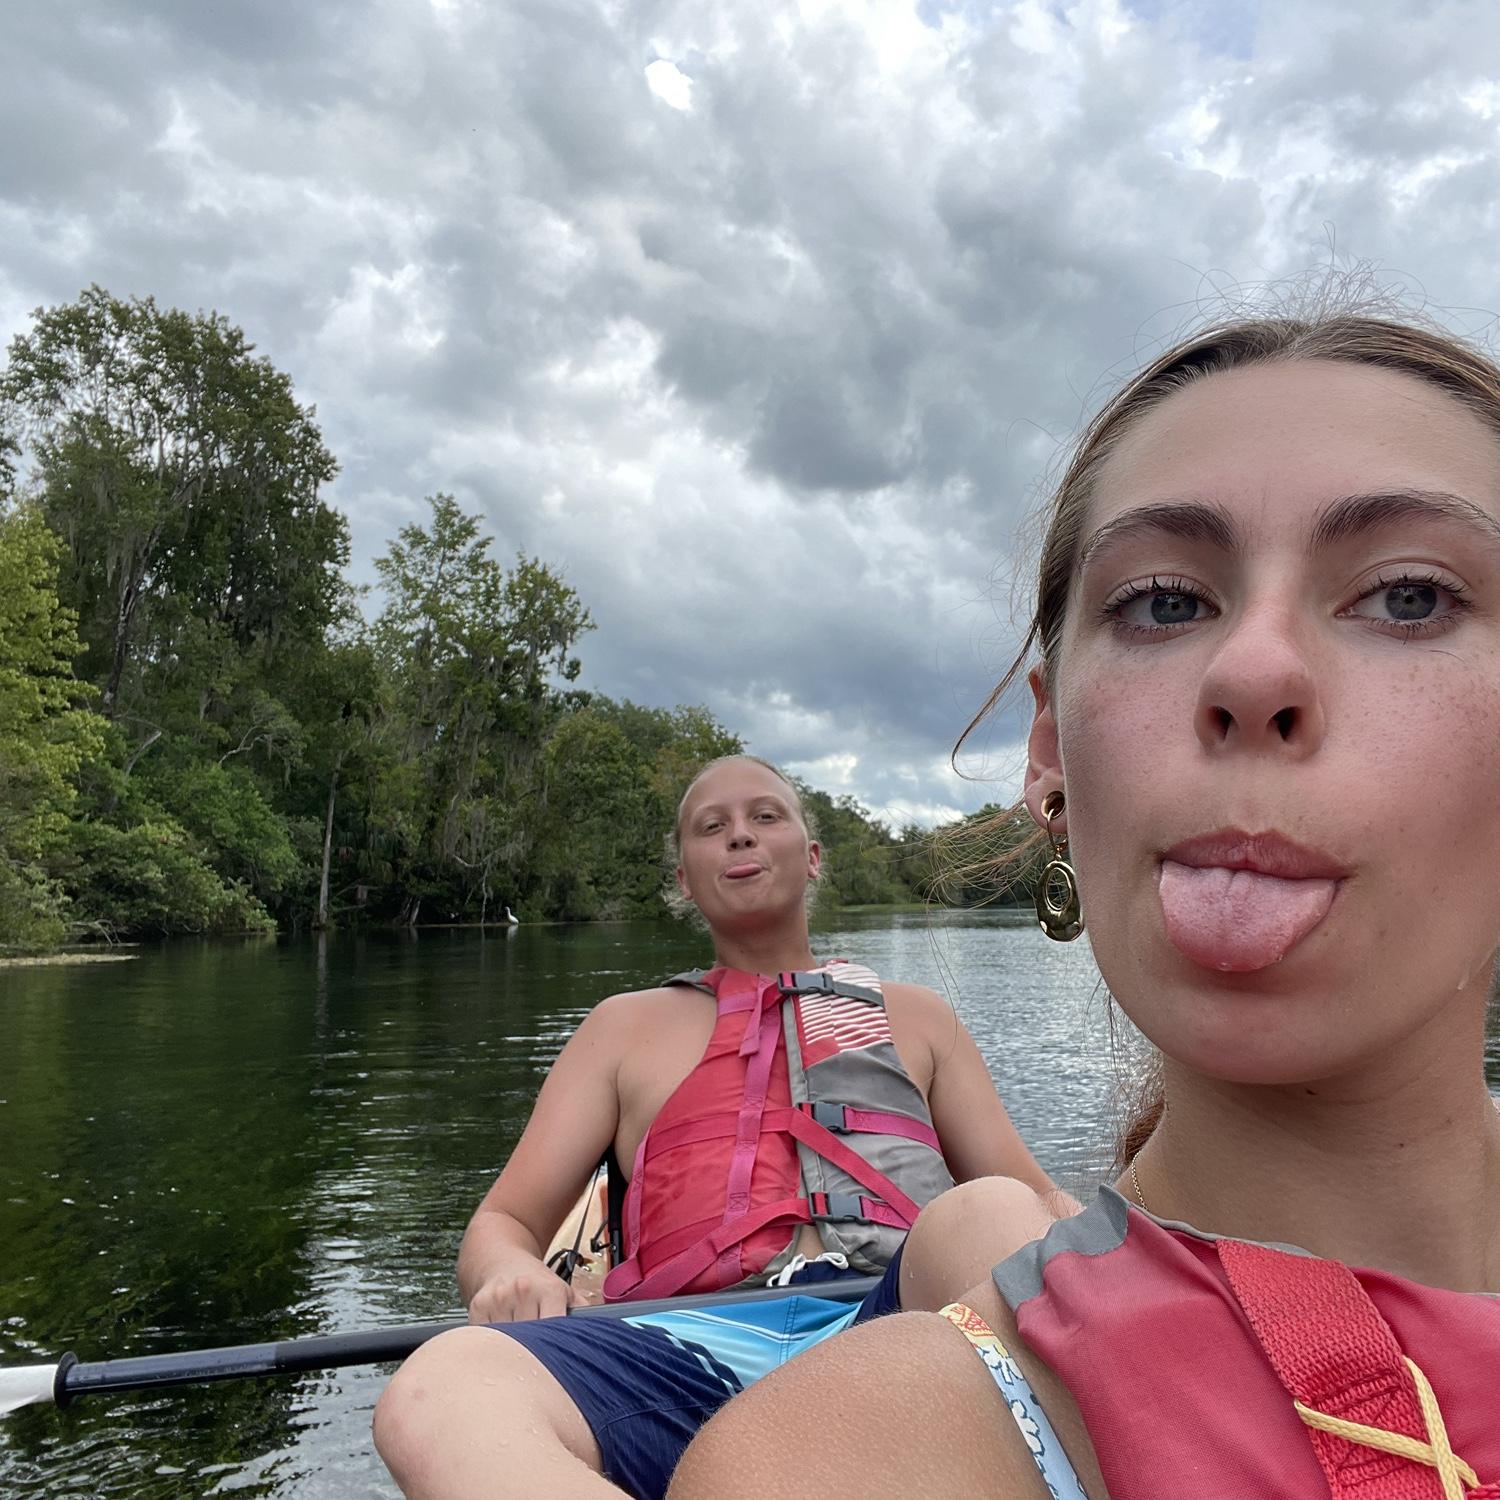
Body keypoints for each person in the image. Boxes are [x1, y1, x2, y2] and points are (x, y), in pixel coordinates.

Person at [668, 310, 1500, 1498]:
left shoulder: (901, 1016)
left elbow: (1013, 1187)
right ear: (1052, 751)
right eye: (1165, 603)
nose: (1252, 673)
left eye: (1409, 597)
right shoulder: (858, 1462)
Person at [374, 752, 1058, 1499]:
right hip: (682, 1342)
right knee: (436, 1388)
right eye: (712, 826)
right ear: (682, 878)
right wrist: (509, 1270)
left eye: (765, 816)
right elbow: (504, 1220)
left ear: (813, 855)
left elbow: (1033, 1204)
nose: (741, 836)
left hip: (904, 1317)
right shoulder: (620, 1029)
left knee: (991, 1210)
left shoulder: (919, 1018)